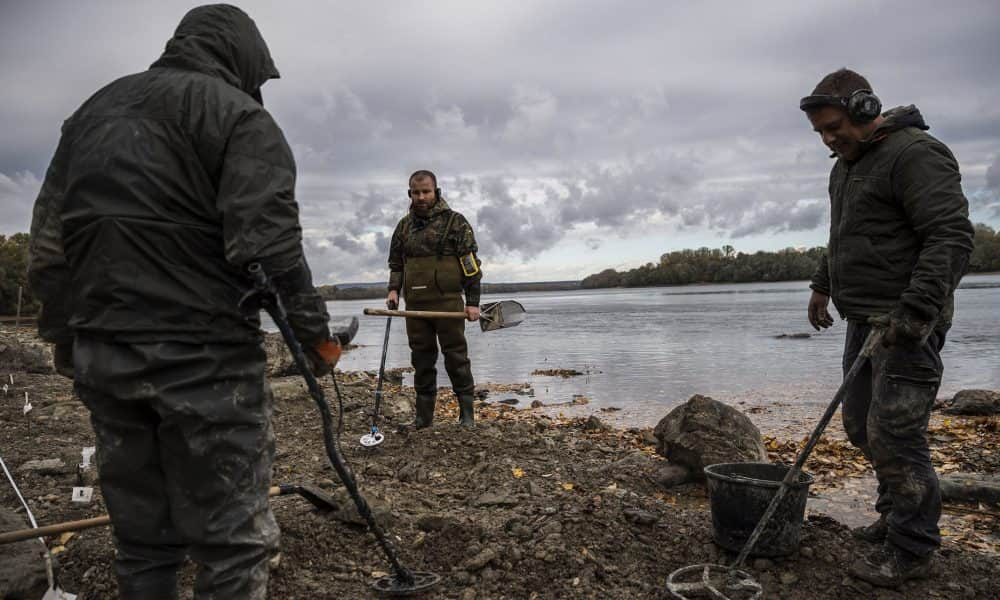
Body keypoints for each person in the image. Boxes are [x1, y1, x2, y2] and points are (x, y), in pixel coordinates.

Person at [27, 5, 339, 599]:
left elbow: (49, 250)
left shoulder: (92, 115)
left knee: (143, 543)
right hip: (207, 364)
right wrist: (317, 346)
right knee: (234, 545)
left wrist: (71, 347)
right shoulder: (238, 117)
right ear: (243, 57)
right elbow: (270, 251)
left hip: (106, 358)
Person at [801, 68, 974, 588]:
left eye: (834, 128)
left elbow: (950, 238)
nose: (830, 141)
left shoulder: (915, 154)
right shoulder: (846, 166)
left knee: (897, 437)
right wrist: (821, 284)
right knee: (860, 427)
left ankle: (913, 548)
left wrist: (915, 311)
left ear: (863, 107)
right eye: (821, 134)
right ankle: (893, 514)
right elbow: (845, 235)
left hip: (907, 326)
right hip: (863, 320)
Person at [386, 170, 483, 428]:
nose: (421, 197)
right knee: (421, 360)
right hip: (415, 307)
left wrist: (473, 302)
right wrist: (394, 290)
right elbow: (396, 264)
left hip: (448, 304)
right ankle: (423, 418)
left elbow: (471, 267)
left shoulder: (455, 222)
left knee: (456, 358)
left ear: (436, 192)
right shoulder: (403, 227)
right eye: (416, 192)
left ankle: (467, 416)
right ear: (410, 194)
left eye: (426, 191)